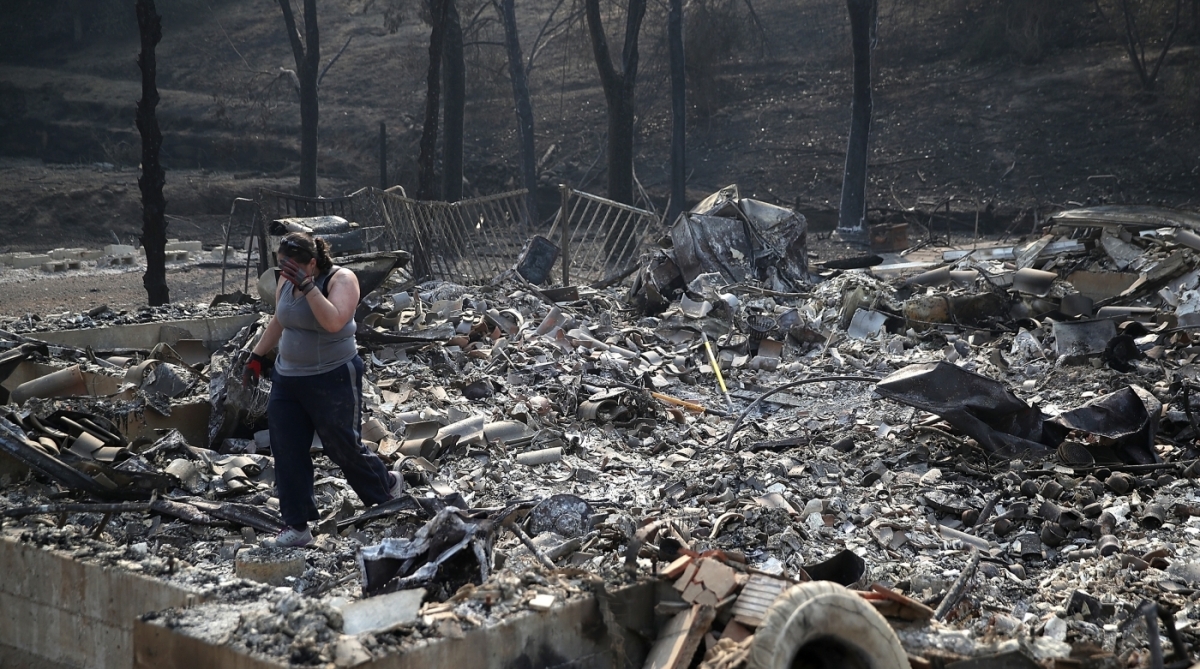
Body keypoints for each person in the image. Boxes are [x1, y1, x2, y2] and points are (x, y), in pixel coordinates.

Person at [243, 231, 401, 547]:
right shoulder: (286, 280)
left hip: (333, 375)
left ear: (312, 262)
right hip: (288, 377)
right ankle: (297, 525)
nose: (285, 272)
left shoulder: (342, 280)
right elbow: (280, 318)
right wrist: (257, 356)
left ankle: (385, 487)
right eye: (282, 266)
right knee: (287, 448)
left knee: (340, 445)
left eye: (292, 267)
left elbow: (334, 322)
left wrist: (308, 286)